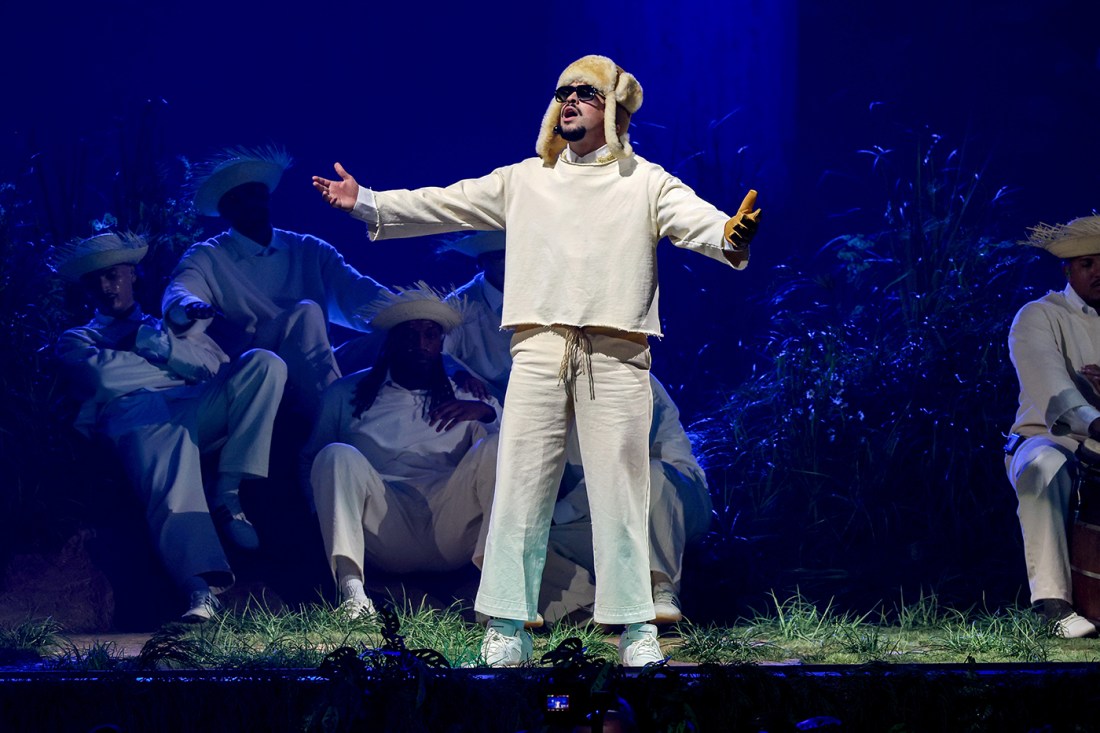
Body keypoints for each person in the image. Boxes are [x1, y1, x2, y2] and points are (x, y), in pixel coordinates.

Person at [313, 54, 761, 666]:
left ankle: (636, 627)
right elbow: (445, 202)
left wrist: (726, 234)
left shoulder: (645, 181)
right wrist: (367, 202)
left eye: (586, 93)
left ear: (613, 108)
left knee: (621, 490)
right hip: (541, 347)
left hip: (617, 349)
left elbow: (696, 221)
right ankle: (506, 623)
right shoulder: (527, 180)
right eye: (563, 92)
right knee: (521, 483)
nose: (570, 100)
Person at [441, 231, 711, 624]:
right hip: (590, 513)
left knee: (645, 477)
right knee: (511, 538)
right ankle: (582, 605)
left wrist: (563, 510)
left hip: (660, 502)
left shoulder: (633, 379)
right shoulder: (537, 387)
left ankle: (659, 590)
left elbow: (640, 467)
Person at [54, 232, 286, 621]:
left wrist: (156, 344)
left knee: (265, 364)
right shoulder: (77, 338)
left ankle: (228, 488)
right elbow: (102, 381)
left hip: (195, 407)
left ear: (133, 274)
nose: (106, 286)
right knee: (167, 453)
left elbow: (215, 366)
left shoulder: (169, 326)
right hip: (139, 417)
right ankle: (198, 587)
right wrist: (171, 365)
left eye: (113, 275)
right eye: (96, 280)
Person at [305, 284, 501, 617]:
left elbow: (517, 457)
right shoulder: (346, 393)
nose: (420, 344)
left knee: (497, 446)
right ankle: (353, 594)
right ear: (392, 341)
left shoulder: (468, 395)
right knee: (336, 453)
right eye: (409, 334)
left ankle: (496, 591)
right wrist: (326, 513)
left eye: (430, 334)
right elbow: (311, 459)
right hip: (384, 526)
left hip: (450, 526)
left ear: (440, 343)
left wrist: (486, 413)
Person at [162, 146, 387, 418]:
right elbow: (182, 290)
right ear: (225, 209)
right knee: (306, 312)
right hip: (262, 365)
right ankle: (333, 427)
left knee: (397, 336)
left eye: (255, 194)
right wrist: (189, 306)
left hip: (318, 360)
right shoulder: (209, 255)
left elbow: (360, 293)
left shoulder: (308, 249)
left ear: (266, 197)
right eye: (238, 199)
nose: (250, 204)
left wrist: (412, 313)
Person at [546, 374, 711, 625]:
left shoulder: (631, 377)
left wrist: (558, 515)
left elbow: (624, 462)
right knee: (538, 547)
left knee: (651, 473)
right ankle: (586, 609)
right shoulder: (547, 391)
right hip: (602, 514)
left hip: (670, 498)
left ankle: (663, 590)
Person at [1006, 214, 1100, 638]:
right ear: (1067, 269)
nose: (1099, 273)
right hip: (1049, 436)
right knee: (1043, 468)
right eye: (1087, 264)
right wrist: (1094, 423)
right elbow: (1053, 389)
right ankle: (1054, 608)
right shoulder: (1039, 316)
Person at [439, 231, 512, 403]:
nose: (508, 263)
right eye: (499, 256)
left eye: (514, 254)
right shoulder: (458, 305)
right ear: (481, 261)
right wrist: (461, 374)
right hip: (487, 402)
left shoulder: (543, 294)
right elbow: (439, 352)